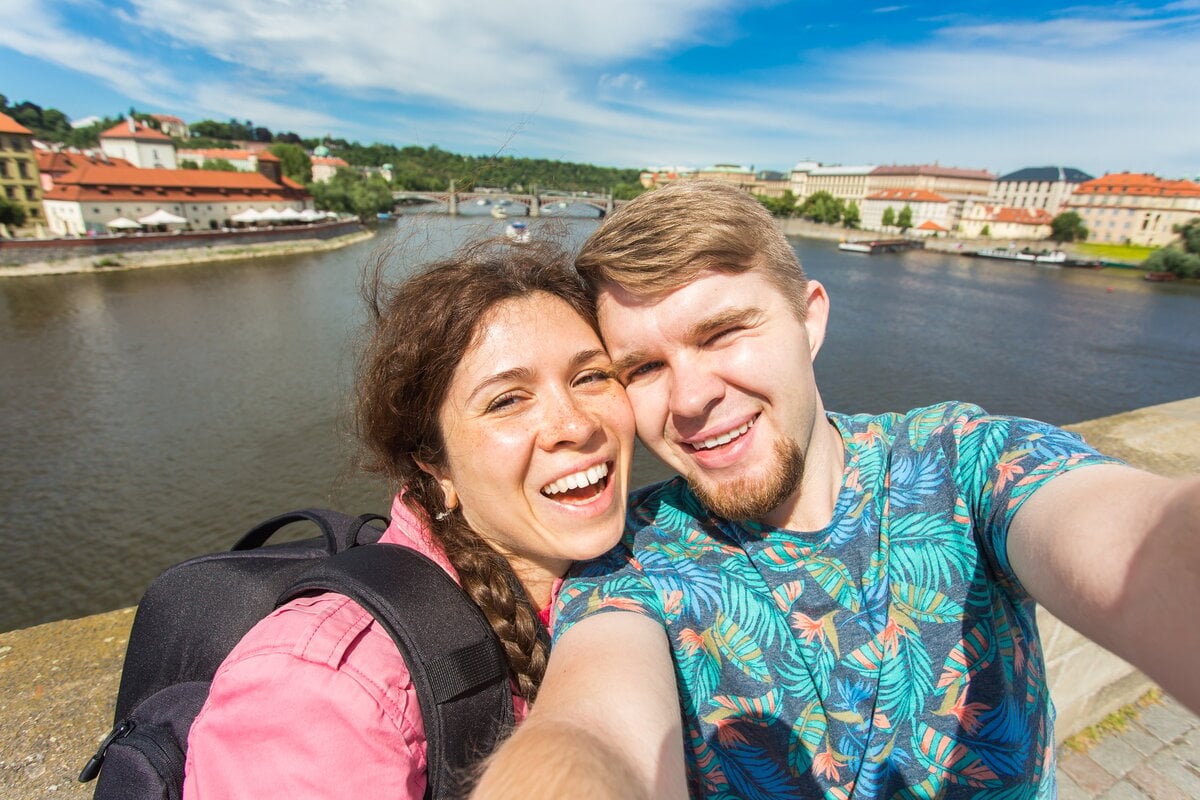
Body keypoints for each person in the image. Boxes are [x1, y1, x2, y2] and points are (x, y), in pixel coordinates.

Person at [473, 180, 1200, 798]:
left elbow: (1139, 545)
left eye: (723, 332)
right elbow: (592, 729)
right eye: (643, 368)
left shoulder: (962, 464)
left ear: (809, 319)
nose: (691, 398)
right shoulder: (630, 561)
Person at [182, 237, 637, 798]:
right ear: (434, 461)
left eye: (590, 376)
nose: (576, 424)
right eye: (507, 400)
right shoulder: (323, 687)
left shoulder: (650, 553)